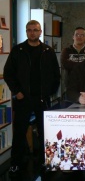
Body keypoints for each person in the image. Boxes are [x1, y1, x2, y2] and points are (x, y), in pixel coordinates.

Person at [3, 20, 60, 176]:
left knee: (44, 132)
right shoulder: (18, 50)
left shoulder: (48, 51)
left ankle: (45, 161)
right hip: (23, 99)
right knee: (20, 133)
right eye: (29, 30)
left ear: (40, 32)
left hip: (42, 99)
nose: (32, 32)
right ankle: (15, 163)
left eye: (35, 30)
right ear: (26, 32)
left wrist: (50, 92)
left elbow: (56, 75)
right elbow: (8, 73)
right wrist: (17, 92)